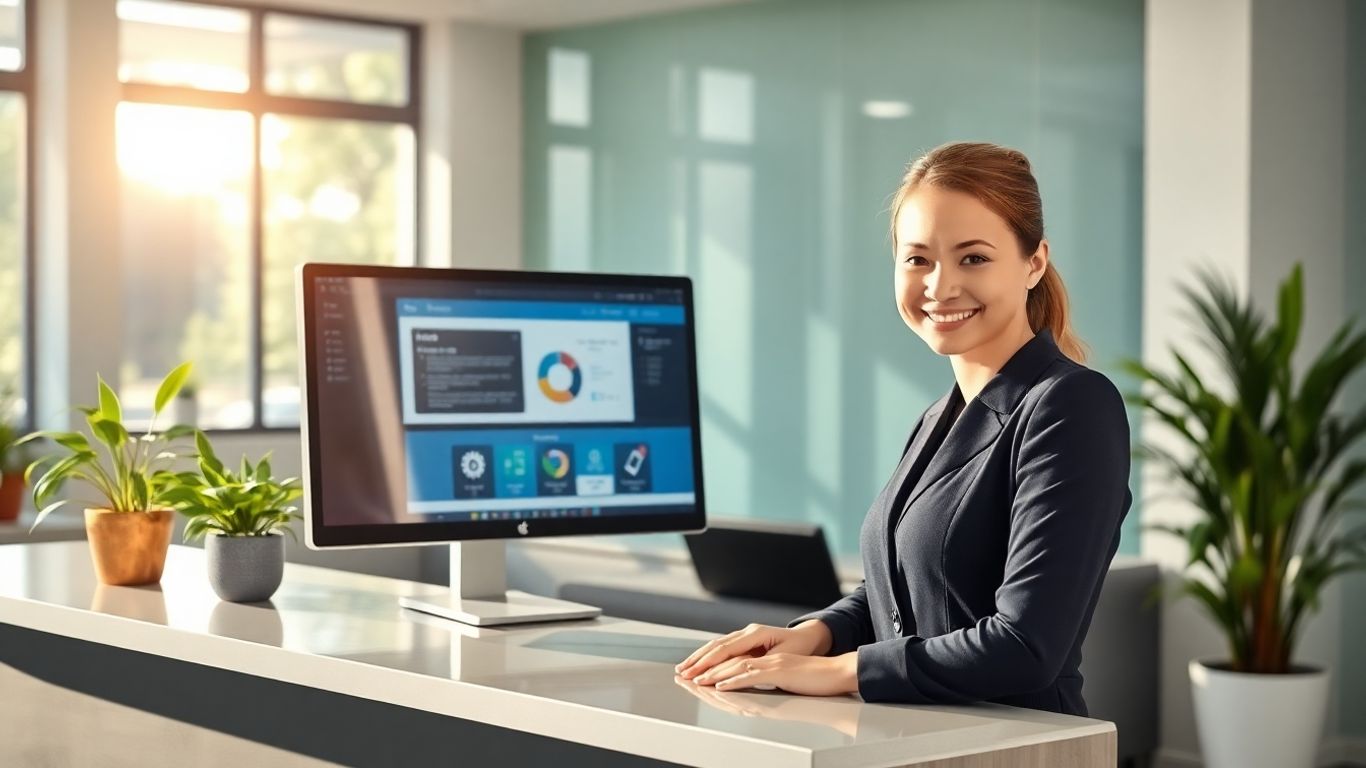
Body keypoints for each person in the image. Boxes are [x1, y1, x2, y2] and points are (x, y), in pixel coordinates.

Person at [674, 141, 1132, 717]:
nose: (940, 287)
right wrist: (814, 635)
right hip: (910, 738)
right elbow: (901, 592)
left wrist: (838, 671)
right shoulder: (940, 416)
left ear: (1034, 263)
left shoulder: (1070, 405)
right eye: (918, 259)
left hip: (1015, 747)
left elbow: (1026, 646)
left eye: (973, 258)